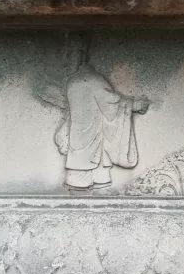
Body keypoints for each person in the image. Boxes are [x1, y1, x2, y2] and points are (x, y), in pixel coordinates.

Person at [55, 46, 149, 191]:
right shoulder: (75, 80)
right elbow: (74, 110)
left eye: (72, 55)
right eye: (68, 56)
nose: (68, 61)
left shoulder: (90, 79)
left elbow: (111, 101)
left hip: (91, 137)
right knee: (81, 181)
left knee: (92, 182)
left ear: (81, 56)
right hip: (80, 135)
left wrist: (132, 105)